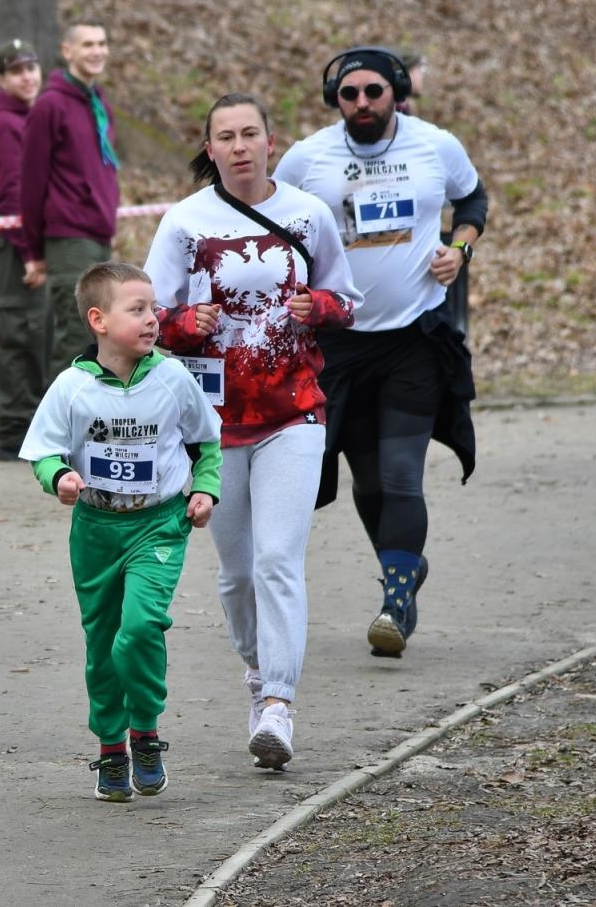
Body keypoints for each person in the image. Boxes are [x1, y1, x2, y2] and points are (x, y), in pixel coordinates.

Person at [146, 93, 361, 771]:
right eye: (225, 137)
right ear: (208, 148)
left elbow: (348, 300)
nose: (239, 147)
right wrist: (187, 325)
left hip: (294, 412)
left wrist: (317, 305)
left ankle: (278, 703)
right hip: (213, 421)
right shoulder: (184, 223)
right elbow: (149, 316)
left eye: (250, 134)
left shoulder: (308, 213)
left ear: (271, 141)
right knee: (236, 576)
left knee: (276, 560)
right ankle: (256, 668)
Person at [274, 46, 488, 660]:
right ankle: (404, 568)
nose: (362, 103)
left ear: (395, 91)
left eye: (373, 91)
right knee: (367, 480)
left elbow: (472, 202)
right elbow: (271, 221)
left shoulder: (434, 145)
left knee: (400, 472)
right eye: (349, 95)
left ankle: (395, 600)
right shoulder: (308, 157)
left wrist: (461, 250)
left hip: (414, 339)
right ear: (334, 100)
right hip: (337, 346)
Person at [19, 261, 221, 802]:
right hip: (96, 529)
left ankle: (146, 732)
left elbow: (206, 443)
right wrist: (58, 477)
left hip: (158, 523)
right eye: (137, 309)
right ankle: (111, 748)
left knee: (139, 629)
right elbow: (42, 451)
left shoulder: (173, 377)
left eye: (153, 308)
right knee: (103, 644)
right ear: (98, 320)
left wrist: (205, 489)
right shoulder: (71, 387)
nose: (153, 318)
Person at [19, 20, 121, 381]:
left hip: (98, 233)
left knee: (102, 335)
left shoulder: (98, 102)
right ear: (68, 51)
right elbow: (30, 183)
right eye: (88, 44)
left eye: (102, 43)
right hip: (68, 236)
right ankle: (58, 431)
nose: (97, 51)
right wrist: (34, 250)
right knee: (74, 336)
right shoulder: (49, 106)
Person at [0, 38, 49, 462]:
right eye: (17, 71)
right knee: (16, 331)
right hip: (13, 244)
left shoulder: (28, 117)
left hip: (31, 239)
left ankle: (31, 425)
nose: (27, 77)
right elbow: (10, 193)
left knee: (36, 330)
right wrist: (28, 252)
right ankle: (13, 430)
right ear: (2, 78)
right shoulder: (4, 124)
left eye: (32, 68)